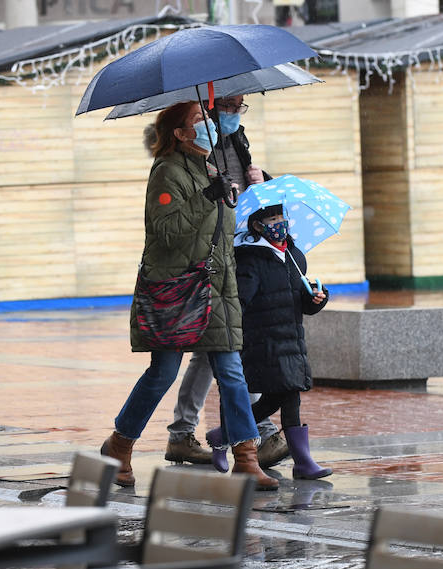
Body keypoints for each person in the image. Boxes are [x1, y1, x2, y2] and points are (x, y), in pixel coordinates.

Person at [101, 100, 279, 491]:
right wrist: (206, 197)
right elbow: (166, 232)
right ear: (180, 134)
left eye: (208, 119)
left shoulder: (212, 168)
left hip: (217, 289)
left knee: (232, 373)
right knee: (162, 374)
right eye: (200, 120)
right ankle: (119, 445)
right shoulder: (167, 172)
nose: (210, 126)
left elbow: (220, 235)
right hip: (179, 290)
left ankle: (246, 458)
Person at [162, 94, 290, 470]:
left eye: (240, 106)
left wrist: (261, 180)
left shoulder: (237, 139)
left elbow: (248, 200)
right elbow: (176, 219)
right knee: (224, 346)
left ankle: (185, 433)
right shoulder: (187, 158)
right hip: (211, 258)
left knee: (216, 348)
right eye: (229, 105)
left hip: (237, 249)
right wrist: (213, 191)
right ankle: (255, 435)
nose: (235, 112)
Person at [207, 203, 332, 480]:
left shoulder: (295, 256)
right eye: (272, 219)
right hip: (264, 340)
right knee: (289, 394)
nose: (280, 223)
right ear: (257, 226)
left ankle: (223, 434)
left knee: (278, 396)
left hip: (291, 339)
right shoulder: (251, 259)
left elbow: (302, 303)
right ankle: (302, 461)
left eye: (282, 217)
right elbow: (240, 301)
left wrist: (316, 298)